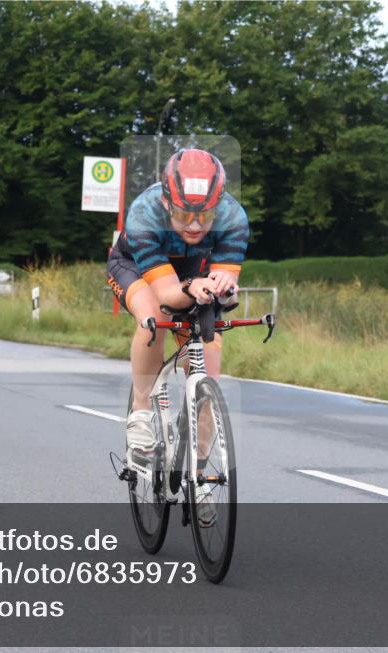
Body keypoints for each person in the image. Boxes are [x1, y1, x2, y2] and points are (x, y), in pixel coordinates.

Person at [107, 148, 249, 519]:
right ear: (167, 202)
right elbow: (170, 295)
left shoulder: (234, 218)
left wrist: (226, 288)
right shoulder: (144, 213)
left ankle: (200, 474)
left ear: (220, 205)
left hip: (194, 269)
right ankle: (141, 410)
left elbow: (228, 291)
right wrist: (195, 287)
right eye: (185, 214)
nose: (196, 225)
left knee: (210, 348)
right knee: (153, 318)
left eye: (205, 215)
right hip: (136, 267)